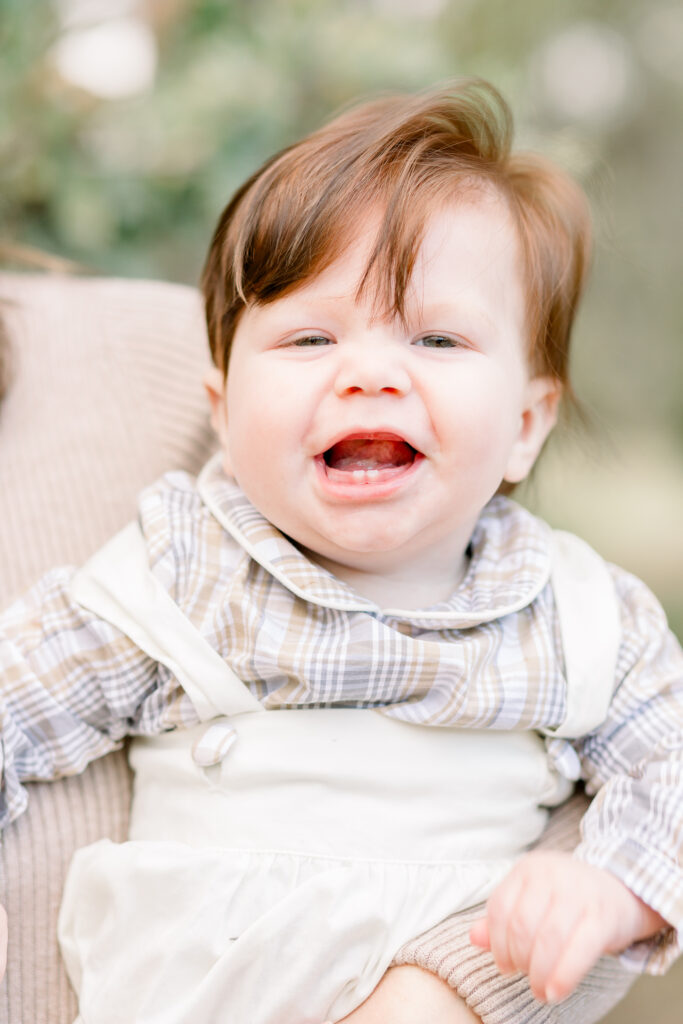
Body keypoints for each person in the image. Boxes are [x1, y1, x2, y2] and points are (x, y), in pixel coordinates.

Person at [0, 79, 681, 1024]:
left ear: (525, 425)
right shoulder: (181, 575)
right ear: (223, 414)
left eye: (437, 337)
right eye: (311, 336)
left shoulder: (582, 621)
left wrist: (613, 887)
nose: (367, 373)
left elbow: (671, 770)